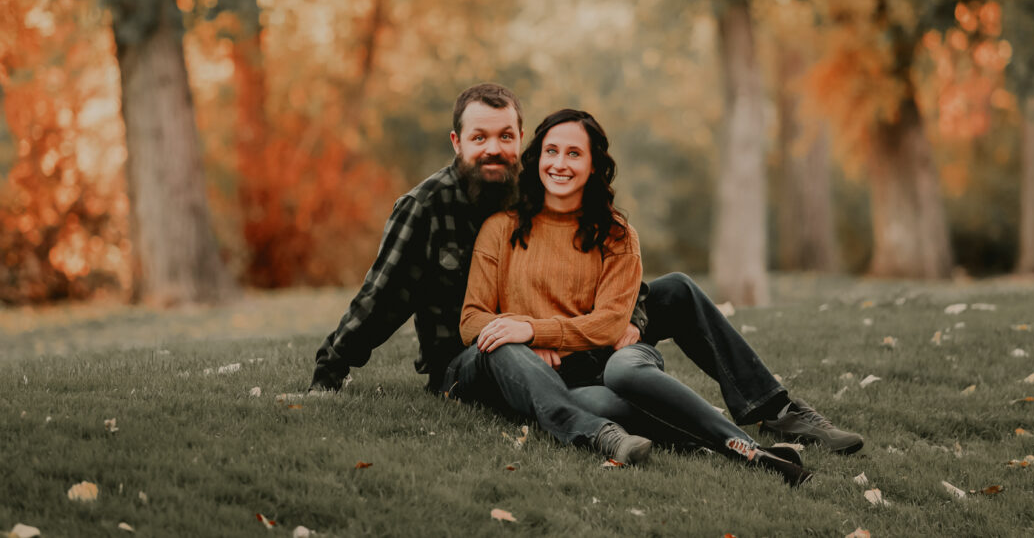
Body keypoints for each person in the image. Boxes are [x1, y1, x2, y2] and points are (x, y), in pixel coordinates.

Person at [309, 82, 863, 456]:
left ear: (521, 140)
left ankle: (775, 409)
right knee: (594, 395)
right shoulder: (426, 208)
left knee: (675, 290)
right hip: (472, 358)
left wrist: (633, 319)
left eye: (506, 137)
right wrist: (329, 372)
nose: (494, 149)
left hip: (558, 343)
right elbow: (381, 298)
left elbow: (603, 270)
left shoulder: (535, 186)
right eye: (479, 138)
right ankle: (645, 434)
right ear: (457, 142)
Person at [452, 109, 811, 485]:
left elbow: (609, 324)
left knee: (611, 386)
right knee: (561, 380)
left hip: (588, 367)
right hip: (532, 374)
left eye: (574, 153)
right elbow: (473, 319)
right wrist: (526, 339)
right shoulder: (500, 228)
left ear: (594, 166)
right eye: (551, 151)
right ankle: (713, 443)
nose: (560, 163)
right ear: (537, 158)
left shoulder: (617, 235)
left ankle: (747, 448)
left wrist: (531, 330)